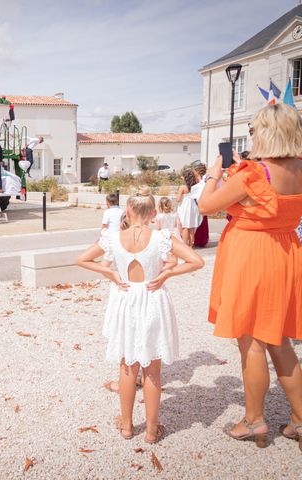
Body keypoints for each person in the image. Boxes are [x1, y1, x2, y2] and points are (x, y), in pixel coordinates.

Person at [198, 103, 302, 448]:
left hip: (252, 256)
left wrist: (214, 174)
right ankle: (300, 418)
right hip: (286, 251)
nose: (252, 136)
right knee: (279, 339)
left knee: (251, 340)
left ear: (267, 133)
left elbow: (205, 207)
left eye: (255, 130)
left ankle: (254, 420)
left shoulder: (253, 174)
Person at [77, 186, 204, 443]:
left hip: (125, 299)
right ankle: (150, 430)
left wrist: (111, 273)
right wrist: (167, 273)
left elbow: (82, 259)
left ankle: (126, 426)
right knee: (152, 371)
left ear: (128, 209)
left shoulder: (113, 238)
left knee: (127, 366)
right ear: (153, 212)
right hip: (152, 297)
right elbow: (196, 261)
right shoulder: (162, 237)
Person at [176, 169, 201, 246]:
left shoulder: (183, 187)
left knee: (185, 226)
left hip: (184, 207)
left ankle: (185, 245)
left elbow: (178, 199)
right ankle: (191, 244)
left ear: (185, 178)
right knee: (191, 227)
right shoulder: (195, 187)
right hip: (193, 207)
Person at [191, 163, 209, 247]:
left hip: (199, 201)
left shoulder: (200, 180)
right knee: (203, 221)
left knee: (198, 221)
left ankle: (198, 240)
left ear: (197, 171)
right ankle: (203, 239)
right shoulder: (206, 179)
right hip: (204, 200)